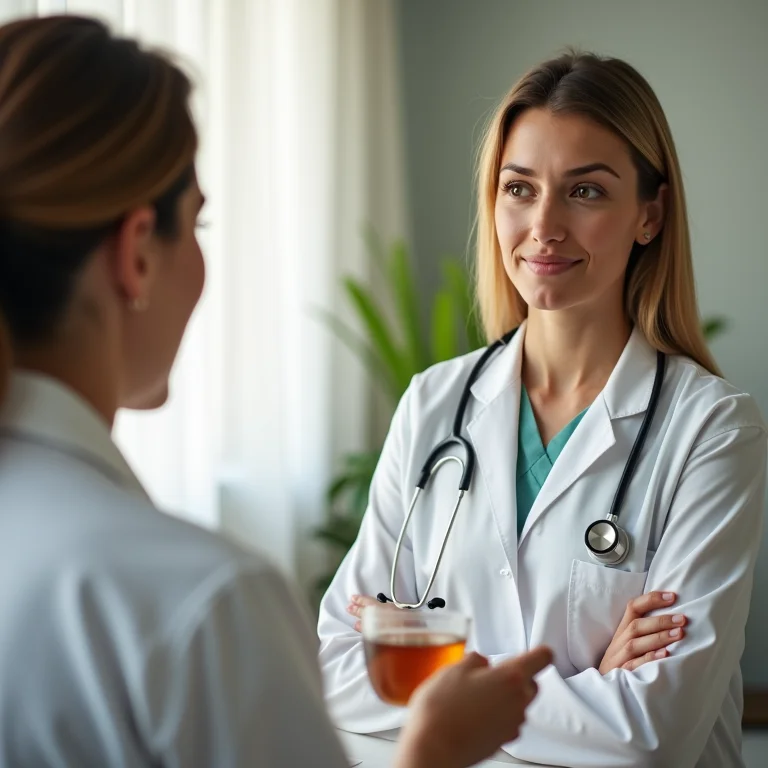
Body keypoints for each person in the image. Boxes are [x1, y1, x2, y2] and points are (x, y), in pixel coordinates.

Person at [0, 15, 553, 768]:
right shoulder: (203, 604)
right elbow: (342, 662)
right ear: (135, 255)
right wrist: (435, 749)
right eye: (199, 221)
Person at [318, 50, 768, 767]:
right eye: (519, 188)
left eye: (585, 192)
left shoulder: (711, 430)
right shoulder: (435, 403)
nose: (544, 226)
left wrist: (439, 681)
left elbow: (652, 733)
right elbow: (338, 671)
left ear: (649, 214)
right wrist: (590, 683)